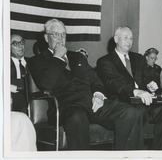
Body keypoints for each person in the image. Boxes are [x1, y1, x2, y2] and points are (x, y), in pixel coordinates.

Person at [28, 19, 143, 150]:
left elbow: (94, 79)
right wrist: (58, 58)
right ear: (46, 37)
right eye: (55, 34)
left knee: (129, 112)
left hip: (91, 103)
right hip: (67, 106)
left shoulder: (77, 57)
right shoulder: (37, 61)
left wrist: (98, 94)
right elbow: (45, 83)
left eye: (63, 34)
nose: (60, 38)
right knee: (78, 117)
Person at [96, 26, 162, 150]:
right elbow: (112, 83)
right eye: (126, 38)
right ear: (116, 39)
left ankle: (159, 154)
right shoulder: (105, 61)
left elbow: (145, 78)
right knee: (137, 111)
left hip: (145, 102)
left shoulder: (138, 58)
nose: (129, 41)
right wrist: (135, 91)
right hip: (124, 103)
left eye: (131, 38)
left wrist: (150, 84)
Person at [11, 34, 28, 114]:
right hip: (12, 101)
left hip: (32, 98)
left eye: (22, 42)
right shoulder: (4, 64)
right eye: (15, 44)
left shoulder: (33, 63)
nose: (20, 46)